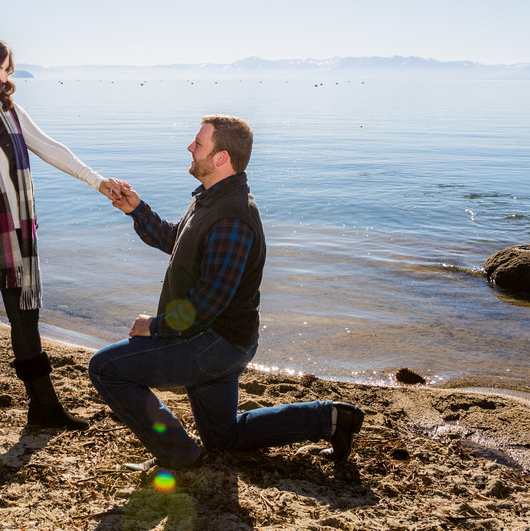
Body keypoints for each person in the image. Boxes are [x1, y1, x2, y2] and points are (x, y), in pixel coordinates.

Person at [88, 115, 364, 472]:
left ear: (221, 158)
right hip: (218, 339)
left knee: (107, 368)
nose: (190, 147)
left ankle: (178, 455)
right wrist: (138, 211)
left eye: (198, 144)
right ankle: (330, 419)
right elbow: (179, 243)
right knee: (225, 437)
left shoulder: (232, 216)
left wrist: (154, 327)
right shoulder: (212, 198)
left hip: (215, 343)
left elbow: (209, 302)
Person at [0, 33, 119, 433]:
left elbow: (49, 147)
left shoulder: (5, 107)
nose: (5, 75)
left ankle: (44, 407)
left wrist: (98, 182)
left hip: (12, 234)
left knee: (25, 317)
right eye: (0, 68)